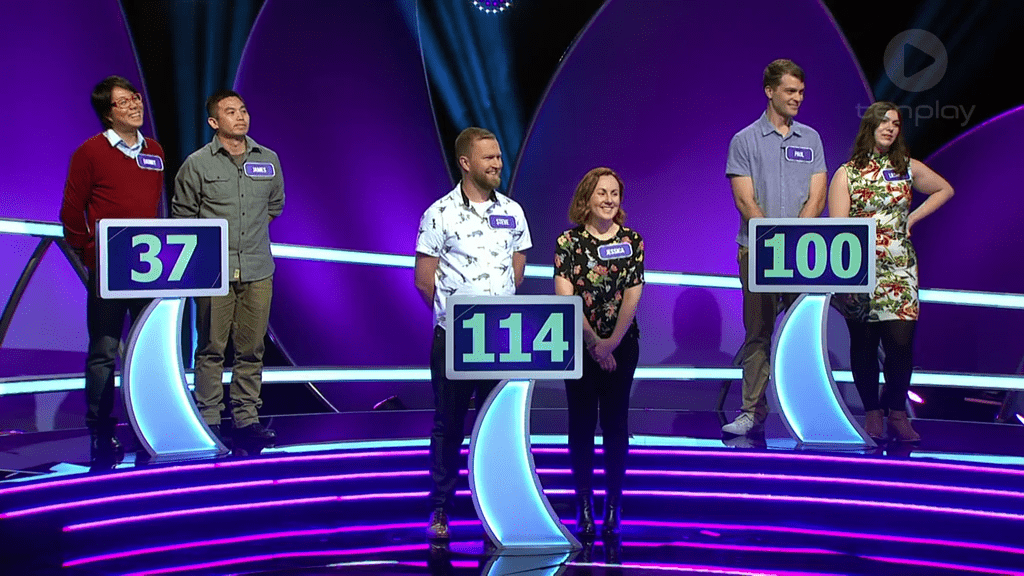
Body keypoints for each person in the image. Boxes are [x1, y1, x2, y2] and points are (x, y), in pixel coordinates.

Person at [414, 127, 532, 540]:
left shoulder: (513, 211)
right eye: (489, 158)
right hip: (455, 338)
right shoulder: (439, 213)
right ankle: (441, 509)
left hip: (500, 339)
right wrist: (454, 319)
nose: (498, 163)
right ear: (466, 163)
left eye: (499, 156)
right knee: (449, 425)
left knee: (496, 427)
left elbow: (517, 269)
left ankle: (496, 510)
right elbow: (424, 280)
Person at [828, 102, 953, 442]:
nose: (890, 128)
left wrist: (912, 218)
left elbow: (944, 189)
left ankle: (896, 412)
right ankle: (872, 412)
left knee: (900, 344)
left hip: (900, 269)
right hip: (859, 270)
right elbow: (838, 230)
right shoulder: (848, 173)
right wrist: (843, 279)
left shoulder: (906, 167)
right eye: (884, 122)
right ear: (869, 126)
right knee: (864, 345)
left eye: (895, 124)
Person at [60, 76, 165, 464]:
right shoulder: (90, 152)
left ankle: (149, 426)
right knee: (104, 350)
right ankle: (101, 431)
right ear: (108, 113)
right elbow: (72, 212)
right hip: (108, 269)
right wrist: (91, 253)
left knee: (147, 350)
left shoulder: (154, 150)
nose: (135, 105)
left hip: (150, 270)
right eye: (124, 102)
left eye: (135, 97)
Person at [172, 90, 284, 445]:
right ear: (213, 122)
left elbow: (275, 206)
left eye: (243, 110)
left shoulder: (268, 159)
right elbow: (183, 216)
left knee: (252, 348)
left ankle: (246, 418)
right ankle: (208, 418)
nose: (240, 116)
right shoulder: (197, 164)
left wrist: (246, 238)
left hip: (257, 269)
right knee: (210, 347)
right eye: (231, 111)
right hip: (213, 272)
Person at [723, 59, 827, 436]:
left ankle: (807, 411)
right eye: (790, 91)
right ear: (770, 91)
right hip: (757, 252)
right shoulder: (744, 140)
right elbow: (745, 201)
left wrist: (793, 240)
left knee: (801, 334)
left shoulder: (811, 139)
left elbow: (817, 197)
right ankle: (752, 411)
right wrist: (773, 241)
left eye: (801, 92)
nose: (798, 98)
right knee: (759, 332)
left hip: (799, 255)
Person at [554, 167, 644, 539]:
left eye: (614, 193)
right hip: (579, 348)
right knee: (581, 425)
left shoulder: (632, 240)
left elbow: (633, 295)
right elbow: (566, 296)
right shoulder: (568, 242)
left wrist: (612, 342)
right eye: (602, 193)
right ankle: (584, 506)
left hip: (622, 346)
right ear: (587, 198)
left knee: (615, 424)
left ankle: (613, 506)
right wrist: (594, 343)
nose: (609, 200)